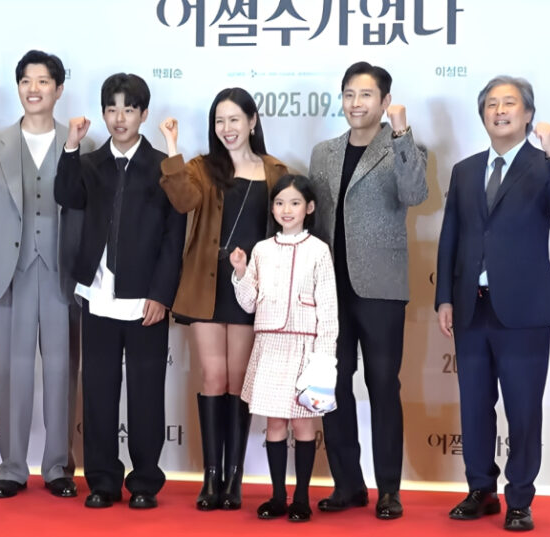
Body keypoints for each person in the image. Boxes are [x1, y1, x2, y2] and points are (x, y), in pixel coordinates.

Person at [436, 76, 550, 532]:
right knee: (474, 405)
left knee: (522, 409)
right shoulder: (464, 169)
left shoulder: (544, 165)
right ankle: (481, 489)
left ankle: (520, 498)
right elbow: (450, 239)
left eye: (509, 103)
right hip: (470, 307)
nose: (500, 111)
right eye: (492, 104)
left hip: (524, 311)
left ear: (528, 114)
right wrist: (443, 298)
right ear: (482, 115)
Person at [54, 73, 186, 509]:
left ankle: (145, 481)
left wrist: (161, 294)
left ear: (144, 114)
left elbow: (174, 233)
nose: (119, 117)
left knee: (146, 393)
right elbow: (66, 195)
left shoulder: (161, 165)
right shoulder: (90, 163)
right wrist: (72, 146)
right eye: (112, 108)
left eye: (129, 109)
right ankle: (104, 481)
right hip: (97, 295)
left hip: (145, 298)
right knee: (98, 391)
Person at [0, 50, 82, 500]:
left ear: (58, 89)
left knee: (61, 371)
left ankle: (57, 467)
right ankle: (10, 467)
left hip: (61, 274)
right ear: (19, 88)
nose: (34, 88)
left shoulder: (79, 140)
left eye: (44, 81)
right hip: (8, 273)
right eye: (27, 80)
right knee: (11, 370)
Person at [158, 88, 289, 511]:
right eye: (219, 121)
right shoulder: (201, 167)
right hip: (206, 285)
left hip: (252, 289)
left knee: (238, 383)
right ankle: (210, 477)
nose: (227, 129)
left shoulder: (275, 171)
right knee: (213, 379)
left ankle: (235, 477)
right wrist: (173, 148)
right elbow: (182, 200)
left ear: (253, 121)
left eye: (235, 119)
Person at [308, 61, 427, 519]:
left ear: (384, 101)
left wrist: (401, 135)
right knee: (332, 387)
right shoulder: (323, 152)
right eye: (349, 95)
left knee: (382, 385)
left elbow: (415, 194)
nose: (355, 103)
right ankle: (348, 486)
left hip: (380, 289)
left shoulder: (406, 147)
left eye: (365, 95)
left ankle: (389, 490)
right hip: (329, 290)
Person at [230, 174, 338, 522]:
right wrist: (241, 272)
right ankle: (278, 497)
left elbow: (329, 309)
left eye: (294, 203)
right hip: (270, 345)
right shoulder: (261, 250)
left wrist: (324, 356)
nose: (286, 210)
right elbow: (248, 303)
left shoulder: (319, 251)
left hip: (306, 348)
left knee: (304, 426)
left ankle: (302, 499)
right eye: (279, 203)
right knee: (275, 424)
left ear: (309, 208)